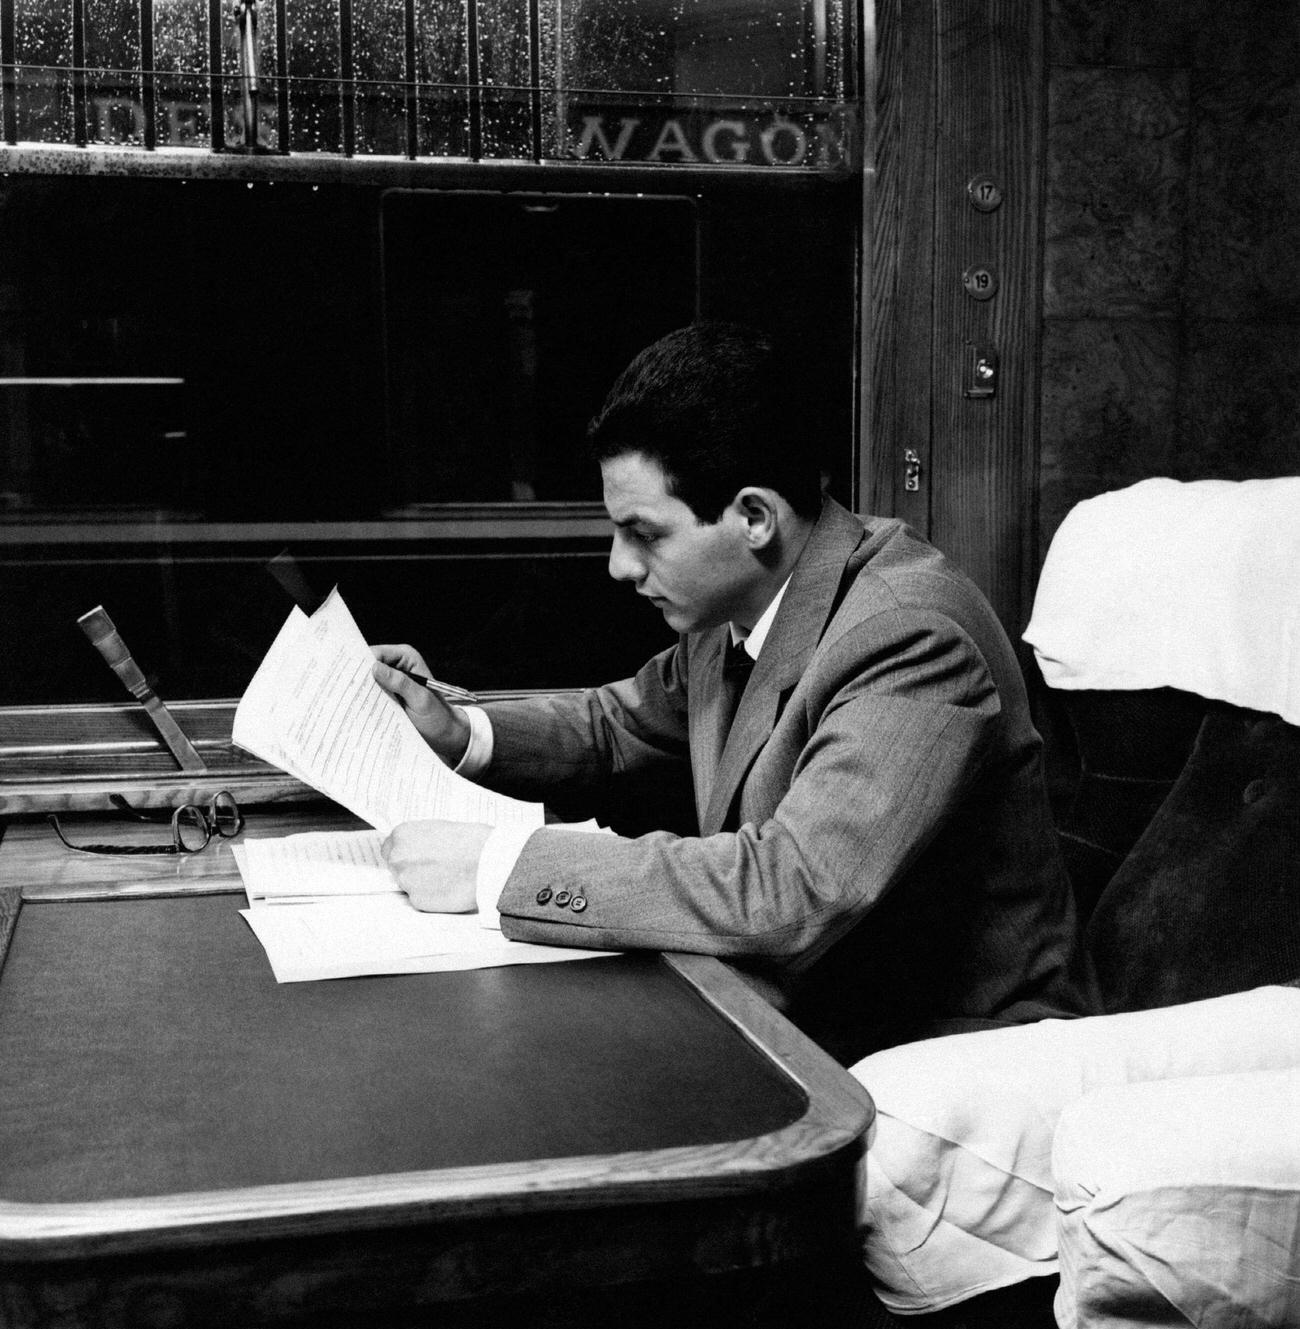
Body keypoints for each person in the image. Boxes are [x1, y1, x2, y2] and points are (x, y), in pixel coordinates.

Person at [372, 321, 1092, 1065]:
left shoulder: (911, 634)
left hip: (951, 1056)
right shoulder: (741, 608)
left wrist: (498, 868)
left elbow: (795, 886)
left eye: (644, 533)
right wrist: (464, 731)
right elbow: (618, 725)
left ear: (753, 517)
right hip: (814, 1007)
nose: (619, 565)